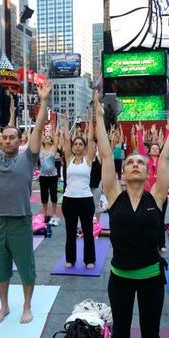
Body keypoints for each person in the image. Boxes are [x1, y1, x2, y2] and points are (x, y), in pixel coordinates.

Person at [95, 89, 169, 338]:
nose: (134, 164)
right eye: (129, 162)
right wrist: (97, 116)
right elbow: (106, 154)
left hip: (149, 279)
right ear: (122, 172)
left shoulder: (156, 197)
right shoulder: (114, 196)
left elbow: (167, 155)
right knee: (120, 332)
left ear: (147, 172)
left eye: (139, 162)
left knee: (151, 331)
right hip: (120, 277)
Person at [0, 80, 51, 324]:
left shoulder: (28, 158)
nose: (7, 140)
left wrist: (44, 101)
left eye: (12, 137)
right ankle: (4, 306)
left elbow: (38, 131)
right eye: (4, 137)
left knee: (26, 266)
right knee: (1, 267)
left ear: (20, 141)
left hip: (20, 221)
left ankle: (27, 306)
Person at [60, 112, 96, 269]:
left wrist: (90, 123)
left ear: (85, 147)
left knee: (88, 231)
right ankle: (70, 259)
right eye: (76, 144)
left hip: (86, 199)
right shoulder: (69, 159)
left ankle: (89, 260)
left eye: (81, 144)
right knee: (70, 231)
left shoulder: (88, 160)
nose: (78, 146)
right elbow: (67, 141)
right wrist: (67, 123)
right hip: (69, 200)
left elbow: (91, 139)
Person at [39, 130, 61, 226]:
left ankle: (54, 214)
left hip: (53, 176)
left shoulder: (53, 148)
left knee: (53, 194)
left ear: (51, 141)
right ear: (43, 140)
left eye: (49, 137)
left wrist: (55, 129)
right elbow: (38, 136)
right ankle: (44, 213)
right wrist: (42, 132)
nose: (47, 138)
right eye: (46, 137)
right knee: (44, 195)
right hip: (43, 176)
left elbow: (56, 138)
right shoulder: (40, 148)